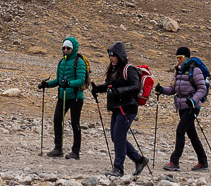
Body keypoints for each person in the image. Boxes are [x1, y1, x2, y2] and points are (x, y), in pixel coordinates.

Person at [90, 42, 148, 177]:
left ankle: (119, 168)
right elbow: (111, 86)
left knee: (119, 137)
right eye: (110, 55)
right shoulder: (114, 70)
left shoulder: (129, 69)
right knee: (116, 137)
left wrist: (118, 91)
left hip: (128, 107)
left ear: (120, 55)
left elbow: (136, 87)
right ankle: (139, 160)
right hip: (117, 107)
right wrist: (98, 89)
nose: (111, 58)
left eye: (113, 55)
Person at [38, 36, 88, 159]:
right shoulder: (61, 62)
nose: (66, 50)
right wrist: (46, 85)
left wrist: (69, 84)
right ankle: (58, 148)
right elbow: (59, 81)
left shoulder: (79, 62)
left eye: (68, 48)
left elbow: (81, 80)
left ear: (73, 49)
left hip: (75, 97)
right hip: (63, 96)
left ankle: (75, 152)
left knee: (75, 123)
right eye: (64, 48)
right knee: (57, 120)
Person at [165, 47, 210, 171]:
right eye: (177, 58)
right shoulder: (178, 71)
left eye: (180, 58)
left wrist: (193, 100)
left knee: (180, 130)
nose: (178, 60)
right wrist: (161, 90)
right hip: (182, 106)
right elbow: (173, 89)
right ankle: (203, 162)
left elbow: (202, 88)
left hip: (192, 107)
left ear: (186, 58)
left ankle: (174, 161)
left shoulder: (195, 70)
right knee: (192, 134)